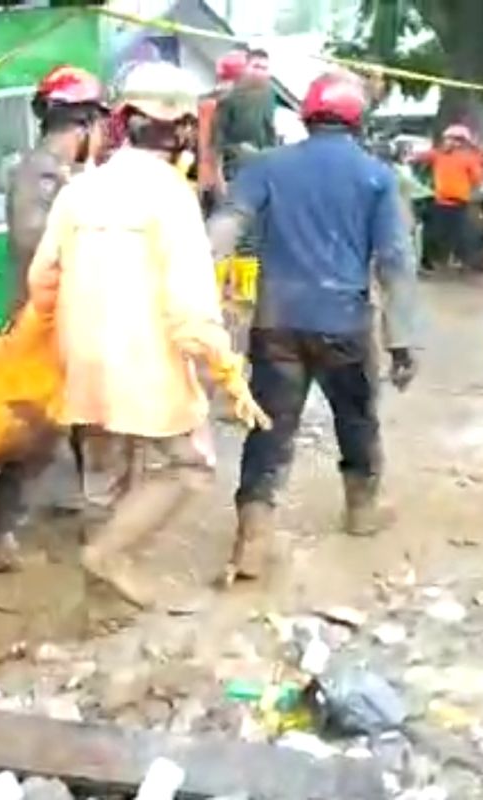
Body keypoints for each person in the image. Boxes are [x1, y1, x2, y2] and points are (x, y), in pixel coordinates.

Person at [26, 60, 270, 610]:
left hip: (83, 361)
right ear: (185, 129)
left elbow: (42, 281)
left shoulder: (79, 190)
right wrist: (227, 376)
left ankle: (101, 608)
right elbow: (190, 306)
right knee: (191, 465)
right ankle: (108, 557)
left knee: (105, 475)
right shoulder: (170, 196)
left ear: (123, 119)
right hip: (145, 365)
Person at [208, 72, 420, 582]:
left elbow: (224, 229)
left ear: (306, 116)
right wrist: (403, 337)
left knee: (269, 428)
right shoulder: (376, 176)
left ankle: (252, 541)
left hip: (276, 321)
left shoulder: (267, 167)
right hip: (344, 323)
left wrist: (196, 300)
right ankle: (361, 511)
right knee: (356, 419)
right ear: (356, 120)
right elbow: (394, 260)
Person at [0, 64, 108, 572]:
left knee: (72, 421)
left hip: (59, 317)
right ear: (86, 123)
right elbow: (34, 239)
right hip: (45, 321)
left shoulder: (59, 173)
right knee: (40, 432)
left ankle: (84, 507)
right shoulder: (43, 172)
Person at [419, 124, 483, 270]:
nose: (449, 142)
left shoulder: (469, 158)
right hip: (440, 201)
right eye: (447, 139)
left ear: (462, 142)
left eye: (454, 139)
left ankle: (461, 260)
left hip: (459, 203)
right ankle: (428, 260)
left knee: (462, 234)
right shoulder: (437, 154)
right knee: (432, 233)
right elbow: (418, 158)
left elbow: (478, 179)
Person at [213, 46, 277, 197]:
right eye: (256, 67)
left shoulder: (269, 94)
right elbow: (216, 141)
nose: (259, 72)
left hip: (261, 164)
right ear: (246, 68)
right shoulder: (228, 97)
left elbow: (269, 129)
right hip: (233, 168)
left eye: (264, 68)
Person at [198, 45, 249, 212]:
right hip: (218, 186)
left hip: (202, 182)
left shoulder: (204, 102)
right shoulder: (223, 105)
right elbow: (212, 150)